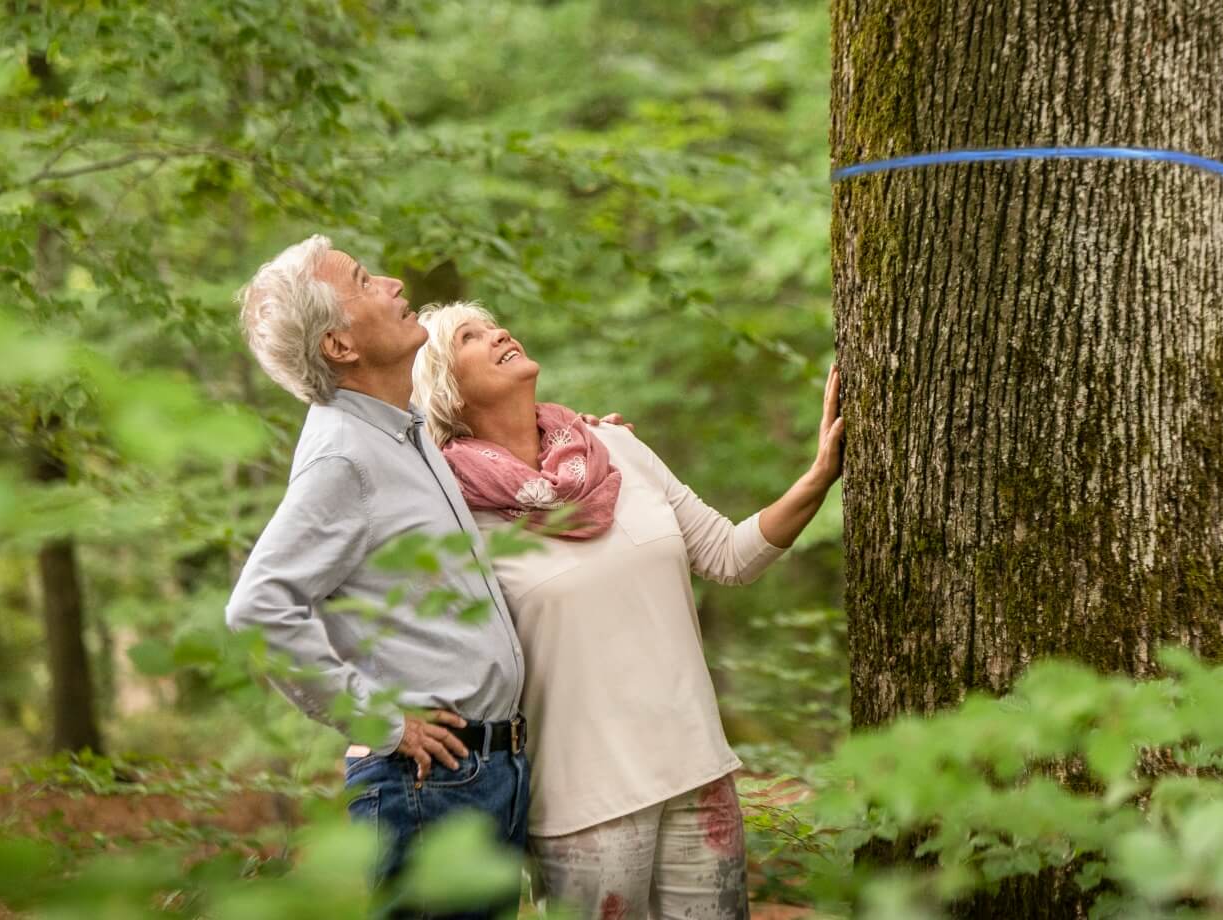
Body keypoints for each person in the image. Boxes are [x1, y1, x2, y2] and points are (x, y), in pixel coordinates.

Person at [228, 236, 624, 919]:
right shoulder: (342, 458)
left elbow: (496, 466)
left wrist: (575, 438)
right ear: (340, 346)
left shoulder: (400, 430)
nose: (392, 283)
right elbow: (259, 609)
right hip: (428, 780)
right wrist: (380, 720)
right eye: (363, 281)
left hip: (483, 773)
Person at [411, 302, 843, 920]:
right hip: (582, 808)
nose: (498, 333)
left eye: (493, 324)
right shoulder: (451, 510)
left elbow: (727, 556)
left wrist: (820, 475)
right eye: (469, 338)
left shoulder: (613, 448)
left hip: (698, 773)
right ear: (446, 389)